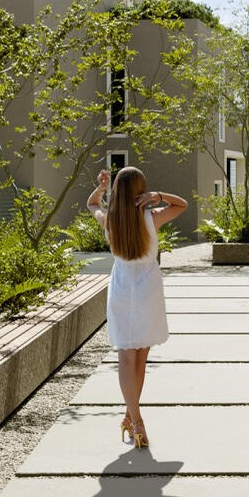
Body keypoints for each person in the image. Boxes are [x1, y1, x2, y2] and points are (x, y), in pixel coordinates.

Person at [87, 166, 188, 449]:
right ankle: (136, 420)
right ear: (142, 191)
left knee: (126, 358)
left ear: (117, 192)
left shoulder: (109, 220)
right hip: (147, 290)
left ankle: (131, 417)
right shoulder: (153, 217)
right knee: (140, 359)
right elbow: (182, 204)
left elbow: (92, 204)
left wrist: (101, 188)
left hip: (122, 290)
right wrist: (158, 196)